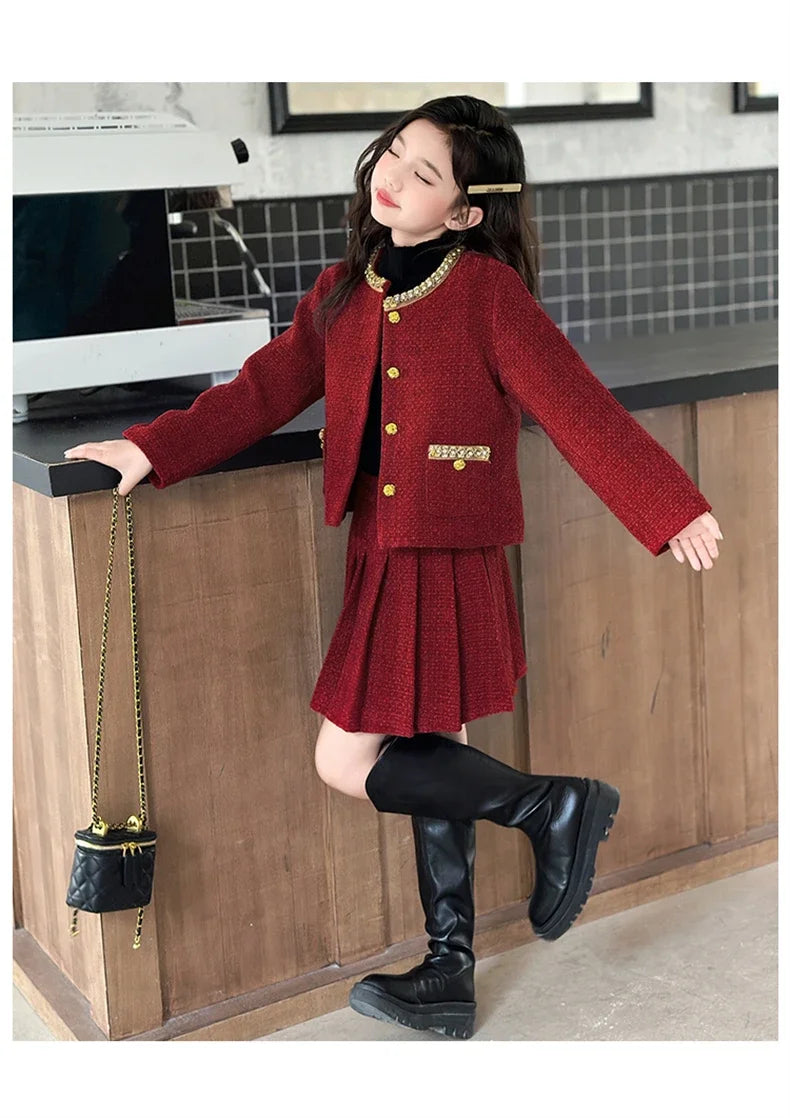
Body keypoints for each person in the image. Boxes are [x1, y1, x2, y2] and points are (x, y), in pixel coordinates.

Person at [63, 94, 723, 1041]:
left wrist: (668, 504)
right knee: (430, 752)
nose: (395, 176)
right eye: (396, 153)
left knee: (347, 759)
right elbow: (261, 391)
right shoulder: (345, 288)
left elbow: (574, 402)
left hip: (444, 549)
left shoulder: (488, 291)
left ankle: (552, 805)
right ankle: (449, 969)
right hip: (379, 544)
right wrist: (152, 446)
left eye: (425, 172)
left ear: (465, 210)